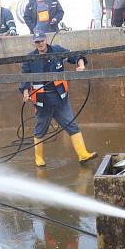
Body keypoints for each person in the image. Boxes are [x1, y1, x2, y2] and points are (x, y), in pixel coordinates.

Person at [20, 30, 97, 167]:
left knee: (72, 125)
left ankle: (83, 154)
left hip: (60, 98)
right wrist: (25, 91)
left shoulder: (57, 50)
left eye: (42, 41)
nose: (40, 44)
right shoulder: (29, 58)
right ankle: (39, 158)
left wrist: (81, 64)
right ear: (34, 43)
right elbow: (25, 76)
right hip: (42, 101)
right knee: (40, 130)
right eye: (37, 42)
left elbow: (74, 55)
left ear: (46, 40)